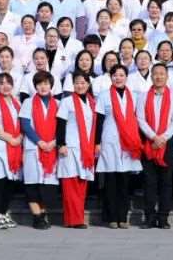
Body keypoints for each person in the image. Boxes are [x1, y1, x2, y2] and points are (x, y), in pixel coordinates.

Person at [96, 64, 143, 229]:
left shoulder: (134, 96)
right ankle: (111, 217)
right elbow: (99, 121)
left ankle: (122, 217)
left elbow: (139, 119)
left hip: (129, 143)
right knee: (111, 181)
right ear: (111, 77)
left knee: (124, 181)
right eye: (115, 75)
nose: (118, 78)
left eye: (121, 75)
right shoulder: (103, 96)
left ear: (126, 77)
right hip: (109, 140)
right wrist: (97, 143)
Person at [135, 64, 173, 229]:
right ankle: (149, 217)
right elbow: (140, 119)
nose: (159, 77)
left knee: (166, 182)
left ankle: (163, 218)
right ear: (151, 76)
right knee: (149, 182)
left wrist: (163, 138)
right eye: (155, 74)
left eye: (162, 74)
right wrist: (153, 136)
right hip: (149, 142)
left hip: (167, 143)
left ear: (167, 77)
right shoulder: (143, 96)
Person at [57, 73, 100, 229]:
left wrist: (96, 143)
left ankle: (77, 218)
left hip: (86, 149)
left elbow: (95, 126)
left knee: (82, 184)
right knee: (70, 184)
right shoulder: (67, 101)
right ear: (73, 85)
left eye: (83, 83)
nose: (80, 86)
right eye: (77, 83)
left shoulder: (93, 103)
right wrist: (61, 144)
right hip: (70, 147)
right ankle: (73, 220)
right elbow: (60, 123)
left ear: (88, 84)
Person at [18, 71, 60, 230]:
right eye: (40, 84)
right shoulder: (28, 102)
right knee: (33, 184)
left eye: (46, 84)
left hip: (52, 148)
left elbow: (62, 126)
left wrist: (54, 142)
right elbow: (25, 125)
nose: (43, 87)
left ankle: (43, 214)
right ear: (35, 86)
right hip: (34, 147)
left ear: (51, 85)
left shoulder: (58, 103)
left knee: (47, 186)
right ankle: (37, 217)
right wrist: (39, 141)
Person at [0, 73, 24, 230]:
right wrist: (9, 138)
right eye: (1, 83)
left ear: (12, 85)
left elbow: (22, 123)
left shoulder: (17, 103)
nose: (5, 86)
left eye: (8, 83)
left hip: (15, 147)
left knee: (10, 182)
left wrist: (19, 138)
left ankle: (4, 212)